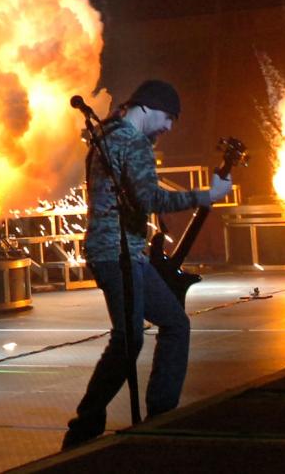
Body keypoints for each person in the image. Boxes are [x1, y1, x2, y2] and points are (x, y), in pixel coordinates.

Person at [61, 80, 233, 450]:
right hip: (116, 253)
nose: (169, 127)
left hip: (126, 252)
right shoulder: (130, 140)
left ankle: (156, 414)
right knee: (130, 339)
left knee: (171, 324)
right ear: (147, 107)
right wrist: (208, 194)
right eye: (168, 117)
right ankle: (88, 423)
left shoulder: (108, 136)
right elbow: (149, 198)